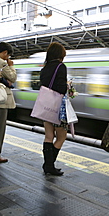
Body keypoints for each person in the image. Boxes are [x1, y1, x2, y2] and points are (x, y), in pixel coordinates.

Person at [40, 42, 68, 176]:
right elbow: (61, 88)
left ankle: (48, 165)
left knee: (49, 136)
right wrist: (68, 86)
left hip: (46, 105)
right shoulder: (61, 67)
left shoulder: (44, 68)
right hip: (57, 107)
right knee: (62, 136)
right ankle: (49, 165)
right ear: (60, 55)